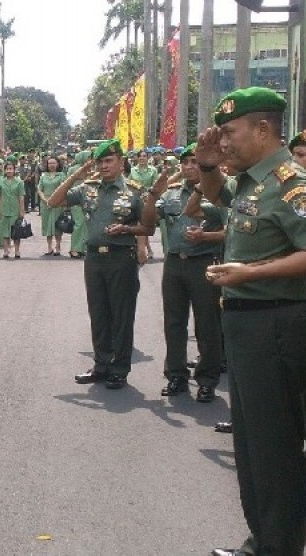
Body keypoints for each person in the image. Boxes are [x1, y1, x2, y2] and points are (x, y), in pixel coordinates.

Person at [196, 87, 306, 556]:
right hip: (245, 326)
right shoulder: (251, 180)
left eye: (230, 132)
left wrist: (250, 273)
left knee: (275, 447)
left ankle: (279, 547)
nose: (225, 143)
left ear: (262, 129)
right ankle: (262, 540)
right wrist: (205, 164)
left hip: (276, 326)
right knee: (251, 445)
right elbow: (216, 195)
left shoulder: (292, 183)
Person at [47, 139, 153, 389]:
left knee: (121, 313)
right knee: (98, 312)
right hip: (94, 257)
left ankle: (120, 368)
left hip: (121, 257)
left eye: (109, 161)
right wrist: (77, 174)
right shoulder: (88, 188)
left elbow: (147, 225)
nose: (104, 166)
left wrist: (137, 242)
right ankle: (101, 364)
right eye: (100, 162)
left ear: (121, 162)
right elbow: (54, 201)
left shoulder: (135, 191)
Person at [140, 143, 224, 403]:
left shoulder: (220, 194)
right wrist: (153, 196)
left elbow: (232, 231)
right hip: (175, 263)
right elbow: (148, 223)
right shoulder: (172, 194)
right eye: (185, 162)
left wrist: (205, 237)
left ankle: (207, 379)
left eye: (194, 162)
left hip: (204, 262)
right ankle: (176, 374)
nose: (189, 167)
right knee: (174, 322)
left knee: (207, 323)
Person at [0, 160, 26, 259]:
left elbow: (21, 197)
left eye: (11, 169)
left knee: (16, 231)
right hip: (4, 209)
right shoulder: (1, 182)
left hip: (15, 209)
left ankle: (17, 251)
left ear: (14, 170)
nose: (9, 171)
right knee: (5, 232)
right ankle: (6, 250)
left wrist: (22, 211)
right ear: (4, 171)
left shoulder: (19, 182)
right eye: (7, 169)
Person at [37, 156, 66, 256]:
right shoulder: (43, 175)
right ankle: (49, 247)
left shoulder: (61, 175)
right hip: (46, 204)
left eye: (54, 163)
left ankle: (58, 246)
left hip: (58, 203)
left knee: (57, 225)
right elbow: (40, 189)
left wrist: (57, 199)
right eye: (50, 163)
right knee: (47, 225)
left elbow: (64, 188)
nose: (52, 165)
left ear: (58, 164)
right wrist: (45, 199)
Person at [65, 150, 91, 258]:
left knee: (86, 224)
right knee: (79, 224)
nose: (90, 159)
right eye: (88, 157)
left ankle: (83, 248)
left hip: (87, 199)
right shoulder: (73, 169)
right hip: (75, 199)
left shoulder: (90, 169)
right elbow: (67, 183)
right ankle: (74, 248)